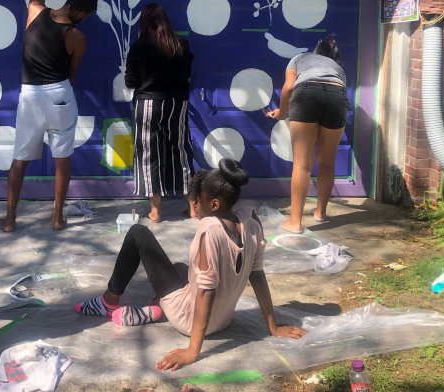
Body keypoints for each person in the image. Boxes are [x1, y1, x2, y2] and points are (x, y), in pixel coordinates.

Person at [74, 158, 307, 371]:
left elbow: (206, 292)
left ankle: (108, 302)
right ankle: (156, 308)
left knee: (138, 233)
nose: (193, 204)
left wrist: (192, 351)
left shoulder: (209, 229)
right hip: (222, 320)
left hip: (189, 321)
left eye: (197, 200)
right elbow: (257, 275)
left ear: (214, 204)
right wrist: (273, 327)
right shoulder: (251, 221)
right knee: (180, 268)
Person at [0, 0, 97, 232]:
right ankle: (57, 218)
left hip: (30, 94)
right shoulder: (77, 36)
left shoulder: (35, 12)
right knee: (62, 156)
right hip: (60, 93)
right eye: (86, 16)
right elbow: (73, 70)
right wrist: (62, 88)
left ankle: (9, 219)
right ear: (79, 12)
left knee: (20, 157)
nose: (85, 20)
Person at [267, 35, 348, 234]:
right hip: (336, 97)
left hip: (305, 94)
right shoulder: (337, 69)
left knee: (302, 164)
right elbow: (337, 89)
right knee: (327, 162)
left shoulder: (300, 58)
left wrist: (282, 112)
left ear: (316, 50)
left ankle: (295, 223)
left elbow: (288, 88)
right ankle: (320, 212)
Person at [125, 3, 195, 222]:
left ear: (144, 21)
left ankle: (155, 211)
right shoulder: (181, 44)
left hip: (148, 104)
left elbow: (130, 82)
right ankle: (193, 208)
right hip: (177, 103)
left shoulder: (139, 46)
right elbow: (188, 78)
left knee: (148, 154)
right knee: (181, 151)